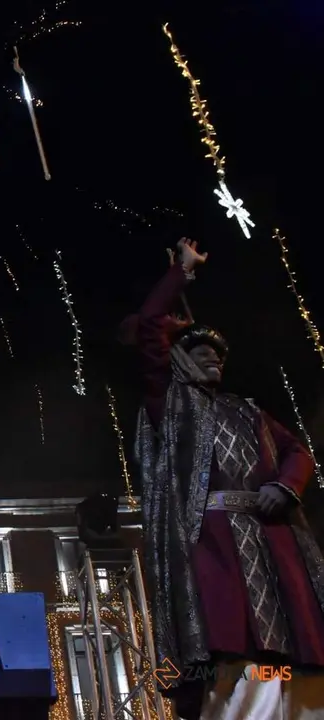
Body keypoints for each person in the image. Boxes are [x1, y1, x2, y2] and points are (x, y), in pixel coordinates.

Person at [132, 238, 324, 719]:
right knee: (230, 654)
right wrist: (182, 271)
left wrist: (284, 486)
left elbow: (298, 451)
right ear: (180, 360)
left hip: (272, 542)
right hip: (213, 546)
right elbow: (151, 329)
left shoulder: (249, 410)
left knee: (293, 655)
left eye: (219, 354)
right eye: (200, 352)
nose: (214, 359)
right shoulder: (171, 405)